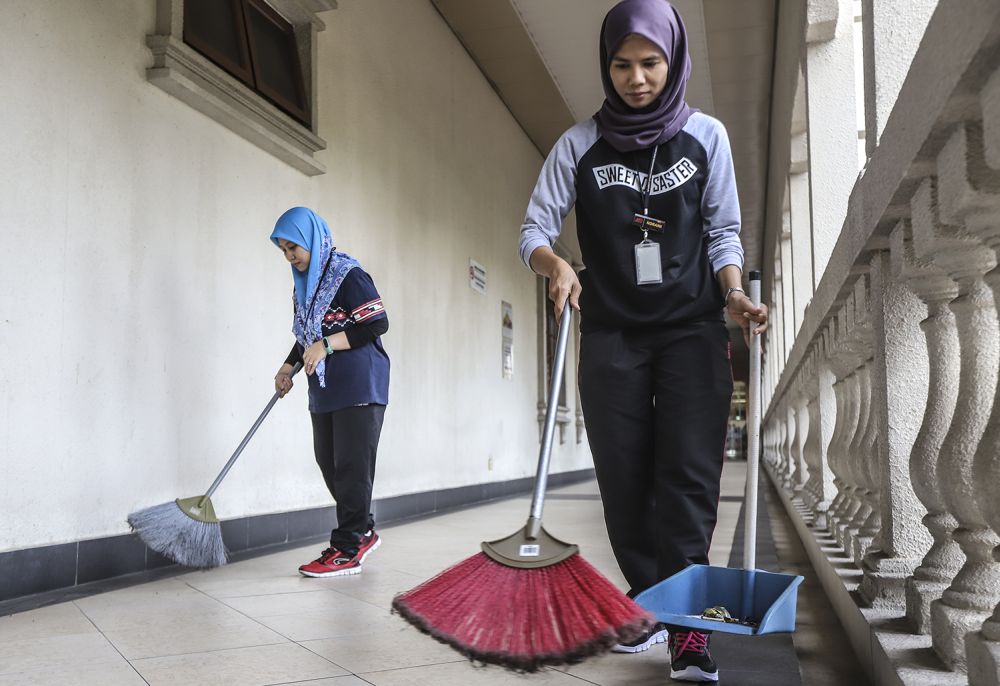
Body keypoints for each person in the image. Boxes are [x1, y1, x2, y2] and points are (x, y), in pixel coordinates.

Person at [517, 0, 768, 681]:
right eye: (622, 65)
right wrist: (556, 263)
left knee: (687, 475)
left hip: (690, 328)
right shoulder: (578, 144)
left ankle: (688, 627)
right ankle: (651, 599)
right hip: (611, 331)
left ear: (673, 60)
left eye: (650, 63)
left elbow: (723, 232)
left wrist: (736, 293)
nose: (636, 78)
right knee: (624, 478)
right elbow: (533, 231)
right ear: (607, 66)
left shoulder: (707, 137)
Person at [270, 207, 390, 578]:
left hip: (358, 384)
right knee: (330, 464)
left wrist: (328, 344)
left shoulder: (347, 274)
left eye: (295, 248)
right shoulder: (304, 287)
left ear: (311, 241)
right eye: (285, 251)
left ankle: (347, 547)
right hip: (324, 388)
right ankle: (363, 529)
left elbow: (376, 322)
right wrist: (288, 366)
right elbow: (305, 336)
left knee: (351, 467)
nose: (291, 257)